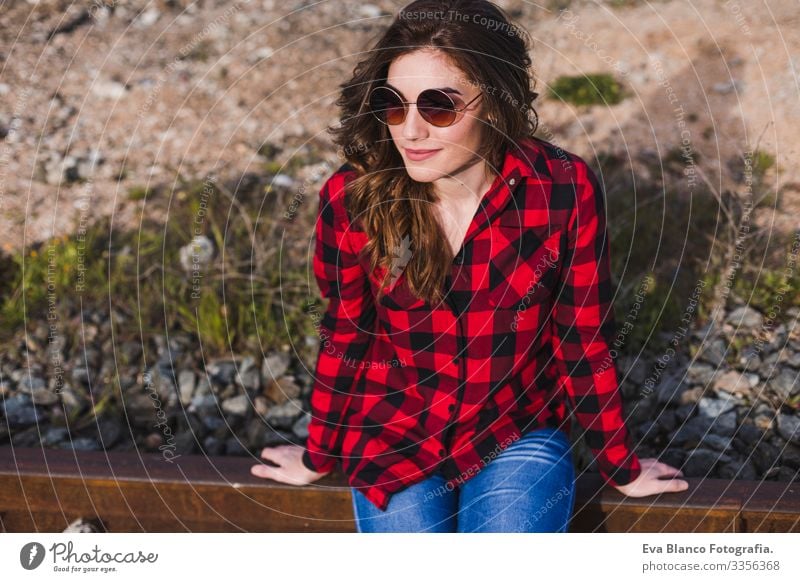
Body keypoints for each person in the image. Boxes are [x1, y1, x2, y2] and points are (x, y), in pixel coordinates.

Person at [251, 0, 688, 532]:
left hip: (516, 431)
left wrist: (620, 465)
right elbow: (348, 334)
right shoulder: (353, 198)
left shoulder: (562, 190)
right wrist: (319, 455)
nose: (410, 131)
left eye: (438, 107)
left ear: (495, 103)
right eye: (393, 105)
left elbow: (583, 336)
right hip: (397, 434)